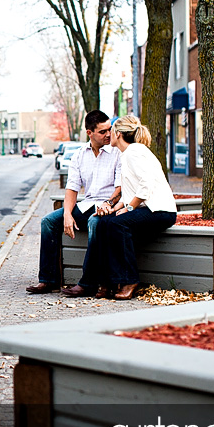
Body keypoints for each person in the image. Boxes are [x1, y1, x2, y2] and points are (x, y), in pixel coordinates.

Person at [63, 115, 177, 300]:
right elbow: (129, 193)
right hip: (146, 209)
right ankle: (107, 282)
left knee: (117, 225)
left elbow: (145, 186)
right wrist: (111, 207)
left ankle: (129, 280)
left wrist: (129, 209)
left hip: (160, 211)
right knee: (104, 222)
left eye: (111, 131)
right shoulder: (126, 154)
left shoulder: (134, 151)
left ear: (118, 134)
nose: (109, 135)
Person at [26, 110, 122, 294]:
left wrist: (108, 204)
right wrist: (68, 215)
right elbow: (72, 189)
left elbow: (120, 189)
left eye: (109, 129)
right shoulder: (79, 155)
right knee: (49, 222)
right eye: (103, 131)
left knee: (95, 223)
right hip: (87, 205)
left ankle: (88, 283)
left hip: (110, 207)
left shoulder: (117, 153)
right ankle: (48, 280)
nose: (108, 134)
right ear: (89, 133)